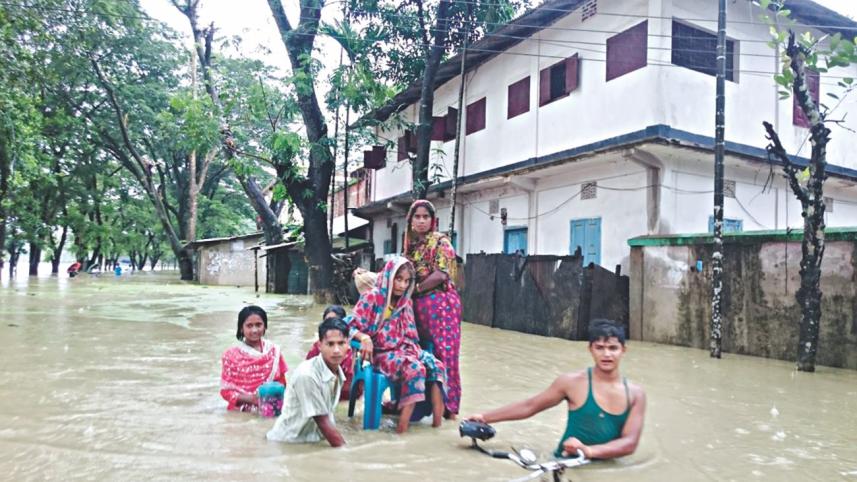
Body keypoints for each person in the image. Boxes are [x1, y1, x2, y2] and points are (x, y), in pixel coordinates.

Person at [466, 320, 646, 460]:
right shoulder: (571, 382)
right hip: (566, 463)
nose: (607, 354)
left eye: (613, 348)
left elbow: (630, 443)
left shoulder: (635, 394)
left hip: (606, 469)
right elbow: (530, 406)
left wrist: (589, 451)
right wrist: (485, 417)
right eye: (600, 348)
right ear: (590, 349)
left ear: (623, 350)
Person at [349, 256, 446, 433]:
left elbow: (410, 333)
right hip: (380, 354)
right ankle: (401, 431)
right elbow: (348, 326)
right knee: (416, 368)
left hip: (405, 349)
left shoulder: (405, 302)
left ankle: (437, 428)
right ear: (388, 277)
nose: (402, 285)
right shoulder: (372, 298)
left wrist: (412, 350)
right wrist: (364, 338)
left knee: (437, 366)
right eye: (398, 279)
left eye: (407, 281)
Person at [402, 199, 463, 419]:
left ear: (433, 220)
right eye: (416, 217)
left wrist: (416, 289)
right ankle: (423, 406)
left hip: (441, 306)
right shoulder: (410, 245)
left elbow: (441, 274)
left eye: (425, 217)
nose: (421, 221)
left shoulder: (441, 242)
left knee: (445, 355)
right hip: (417, 309)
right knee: (421, 354)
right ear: (410, 221)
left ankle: (449, 409)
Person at [267, 317, 349, 447]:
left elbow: (327, 417)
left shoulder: (337, 372)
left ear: (348, 344)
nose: (336, 350)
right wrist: (347, 454)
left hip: (312, 440)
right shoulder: (307, 375)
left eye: (341, 343)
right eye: (330, 344)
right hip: (288, 443)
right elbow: (322, 420)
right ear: (319, 345)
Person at [220, 305, 288, 412]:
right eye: (249, 326)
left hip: (270, 408)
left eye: (258, 325)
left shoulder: (274, 351)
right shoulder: (231, 356)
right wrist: (252, 399)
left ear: (265, 326)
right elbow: (226, 392)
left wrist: (270, 398)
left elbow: (282, 383)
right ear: (241, 329)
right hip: (241, 413)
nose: (255, 330)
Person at [304, 305, 358, 401]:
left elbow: (351, 386)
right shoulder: (317, 347)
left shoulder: (350, 350)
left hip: (344, 395)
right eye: (327, 322)